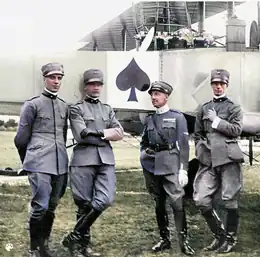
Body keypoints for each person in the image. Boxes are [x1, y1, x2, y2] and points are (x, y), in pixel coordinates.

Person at [62, 69, 124, 257]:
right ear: (86, 86)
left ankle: (74, 235)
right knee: (84, 204)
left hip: (106, 160)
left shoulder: (107, 108)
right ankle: (81, 246)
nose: (95, 87)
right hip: (83, 160)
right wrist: (106, 134)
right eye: (92, 84)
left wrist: (98, 133)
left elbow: (120, 132)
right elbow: (82, 134)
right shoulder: (76, 108)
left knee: (104, 200)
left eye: (99, 84)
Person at [14, 62, 69, 257]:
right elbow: (20, 139)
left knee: (52, 205)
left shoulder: (64, 106)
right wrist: (27, 161)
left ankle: (44, 245)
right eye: (52, 77)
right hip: (38, 162)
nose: (56, 81)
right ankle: (33, 247)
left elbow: (62, 135)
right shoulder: (33, 104)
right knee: (41, 205)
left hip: (60, 162)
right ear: (44, 78)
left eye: (59, 78)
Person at [140, 81, 195, 256]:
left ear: (166, 96)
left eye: (157, 94)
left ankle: (183, 241)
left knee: (177, 204)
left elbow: (184, 146)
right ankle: (164, 239)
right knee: (159, 205)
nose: (154, 98)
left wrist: (183, 169)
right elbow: (144, 142)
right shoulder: (150, 119)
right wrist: (143, 155)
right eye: (152, 95)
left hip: (171, 165)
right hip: (152, 167)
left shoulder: (178, 117)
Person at [193, 69, 244, 253]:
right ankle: (219, 235)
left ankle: (230, 238)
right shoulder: (203, 107)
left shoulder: (234, 107)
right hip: (209, 160)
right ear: (211, 85)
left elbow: (237, 130)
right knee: (201, 200)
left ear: (226, 85)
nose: (218, 87)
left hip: (229, 158)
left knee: (230, 200)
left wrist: (216, 121)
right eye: (215, 83)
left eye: (221, 84)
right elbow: (197, 134)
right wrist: (201, 150)